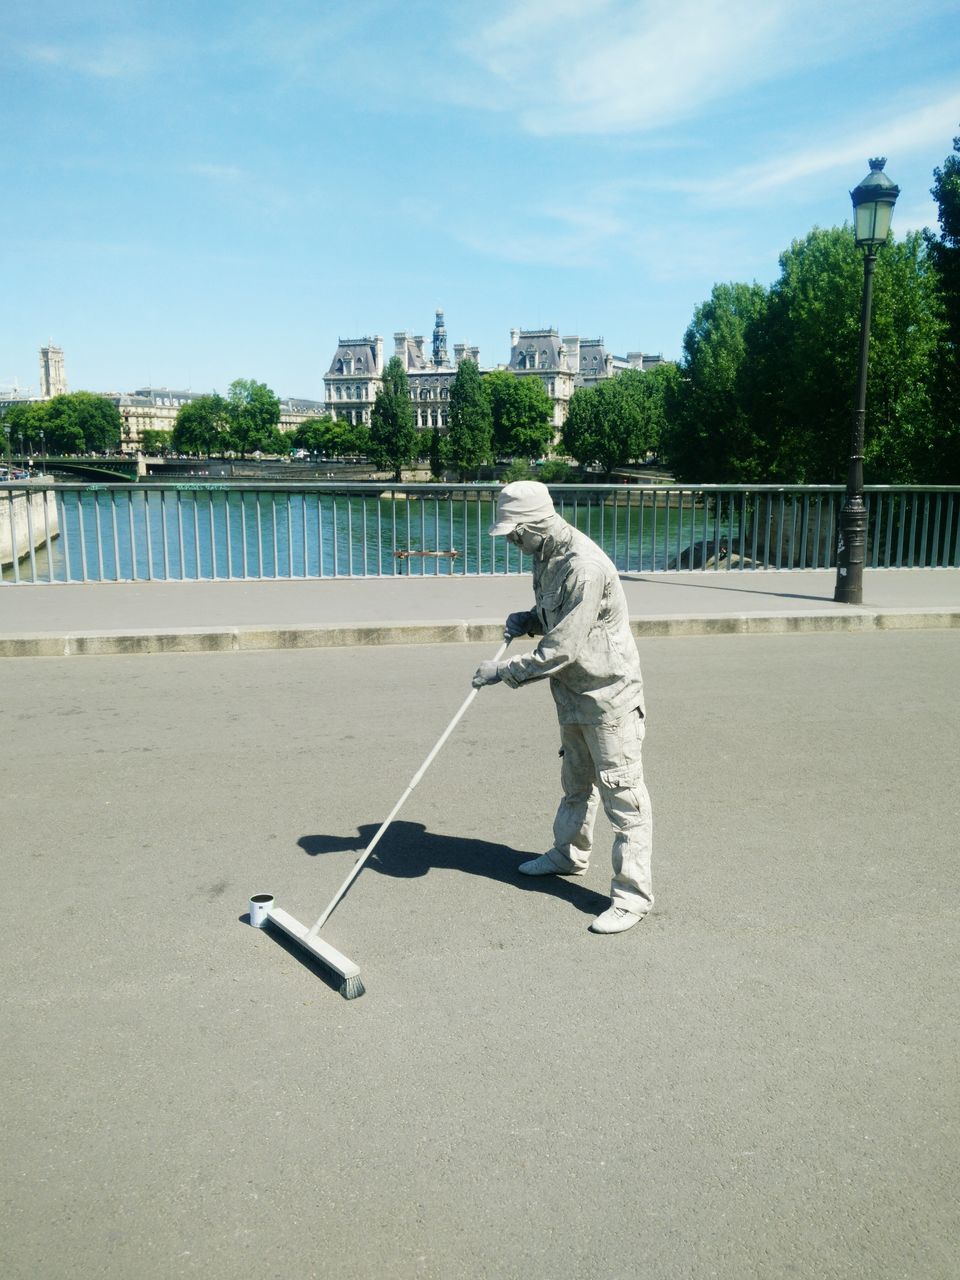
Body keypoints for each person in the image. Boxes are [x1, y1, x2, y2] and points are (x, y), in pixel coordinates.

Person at [472, 480, 653, 934]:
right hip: (572, 693)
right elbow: (559, 618)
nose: (512, 541)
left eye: (515, 532)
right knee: (576, 781)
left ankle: (633, 896)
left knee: (623, 794)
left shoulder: (583, 566)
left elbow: (562, 648)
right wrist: (529, 619)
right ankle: (568, 854)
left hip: (608, 695)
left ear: (538, 523)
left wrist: (502, 672)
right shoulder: (545, 556)